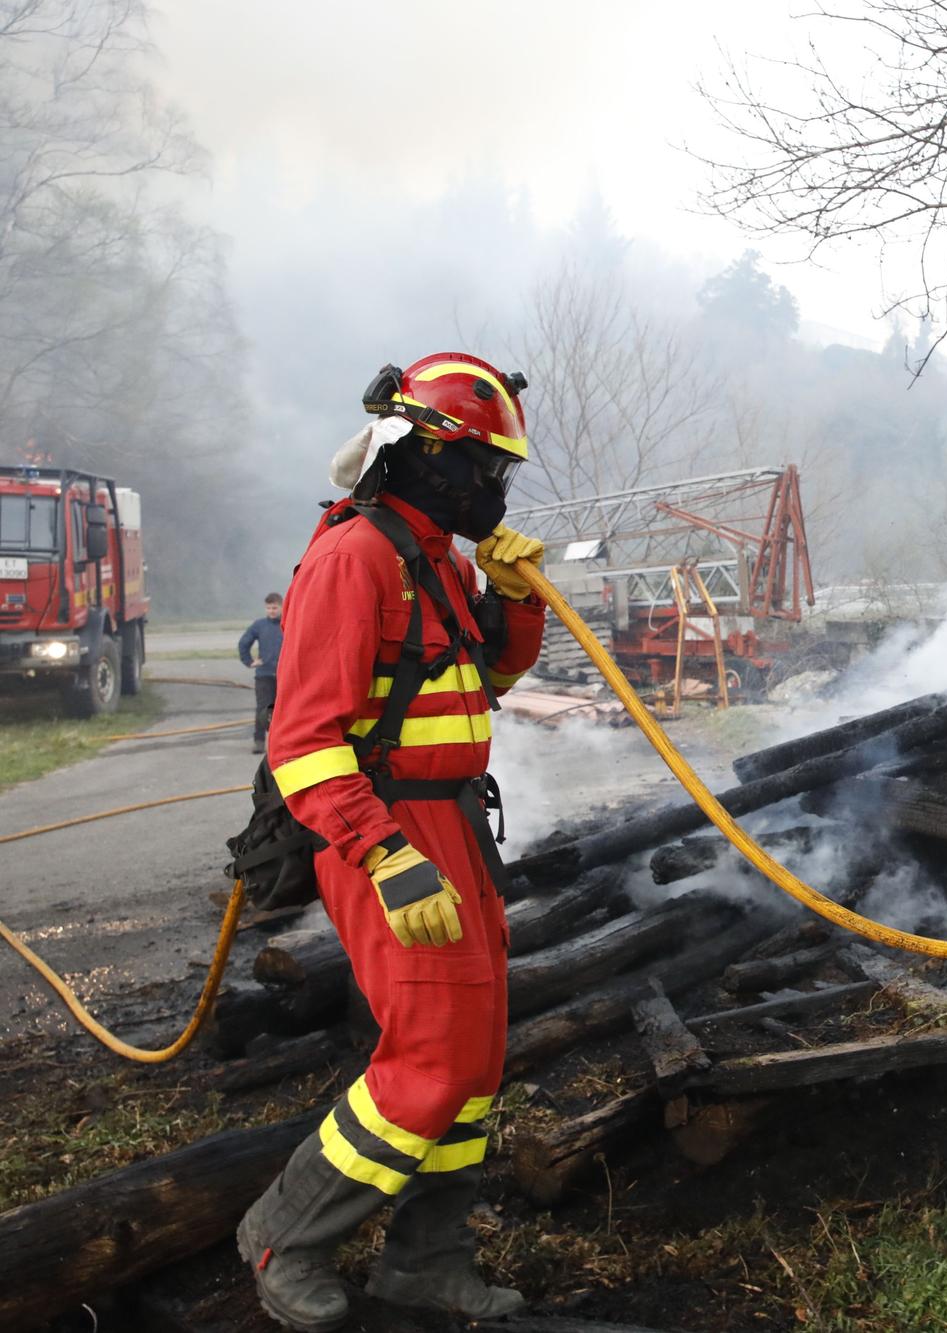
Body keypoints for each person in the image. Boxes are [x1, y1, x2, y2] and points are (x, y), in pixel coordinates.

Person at [237, 354, 548, 1330]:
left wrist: (519, 599)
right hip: (389, 832)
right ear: (422, 455)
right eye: (483, 469)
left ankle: (425, 1258)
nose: (493, 490)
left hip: (453, 822)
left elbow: (484, 678)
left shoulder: (437, 559)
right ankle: (285, 1238)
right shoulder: (353, 558)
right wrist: (382, 851)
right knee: (427, 1052)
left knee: (474, 1054)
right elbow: (301, 740)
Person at [239, 592, 284, 751]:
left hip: (284, 676)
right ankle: (258, 742)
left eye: (274, 607)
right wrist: (249, 661)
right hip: (264, 675)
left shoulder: (288, 623)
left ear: (281, 607)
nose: (271, 611)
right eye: (268, 608)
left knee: (284, 711)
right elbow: (244, 643)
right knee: (263, 709)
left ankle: (281, 744)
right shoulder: (259, 625)